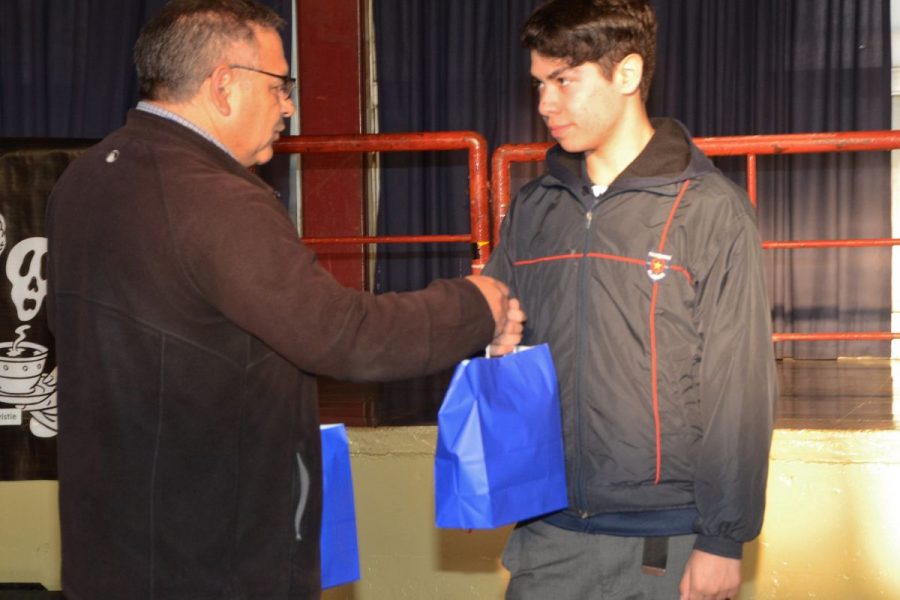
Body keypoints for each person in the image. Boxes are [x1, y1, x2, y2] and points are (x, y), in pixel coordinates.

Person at [45, 0, 523, 598]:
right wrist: (476, 302)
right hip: (210, 553)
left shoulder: (84, 178)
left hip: (111, 543)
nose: (290, 106)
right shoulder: (216, 199)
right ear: (224, 85)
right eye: (280, 85)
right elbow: (347, 338)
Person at [484, 1, 777, 599]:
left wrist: (722, 539)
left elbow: (739, 385)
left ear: (626, 74)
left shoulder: (710, 210)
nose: (545, 104)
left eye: (564, 80)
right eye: (540, 84)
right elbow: (494, 339)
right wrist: (491, 343)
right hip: (548, 535)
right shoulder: (534, 209)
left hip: (667, 544)